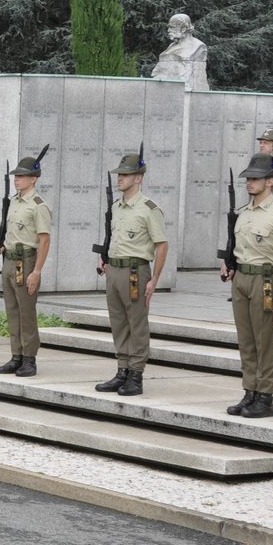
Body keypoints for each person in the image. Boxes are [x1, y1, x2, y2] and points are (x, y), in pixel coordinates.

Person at [220, 152, 273, 419]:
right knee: (246, 340)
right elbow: (239, 248)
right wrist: (229, 264)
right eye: (248, 178)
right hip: (241, 279)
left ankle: (264, 397)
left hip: (267, 280)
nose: (249, 183)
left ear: (270, 181)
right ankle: (250, 391)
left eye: (255, 179)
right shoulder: (243, 213)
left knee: (265, 340)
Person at [94, 148, 169, 396]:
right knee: (118, 323)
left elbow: (161, 245)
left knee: (136, 323)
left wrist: (155, 278)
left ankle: (136, 374)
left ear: (139, 178)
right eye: (119, 174)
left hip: (136, 272)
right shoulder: (117, 207)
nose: (120, 178)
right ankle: (122, 370)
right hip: (114, 270)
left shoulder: (149, 208)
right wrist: (103, 257)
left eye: (125, 175)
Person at [0, 149, 53, 376]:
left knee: (26, 312)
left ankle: (29, 359)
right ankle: (16, 355)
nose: (16, 179)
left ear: (33, 178)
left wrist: (36, 271)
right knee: (12, 311)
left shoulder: (38, 205)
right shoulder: (14, 202)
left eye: (21, 176)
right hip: (9, 260)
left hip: (27, 261)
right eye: (15, 176)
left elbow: (45, 241)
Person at [148, 12, 209, 91]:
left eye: (172, 27)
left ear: (183, 29)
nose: (168, 30)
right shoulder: (171, 46)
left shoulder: (199, 46)